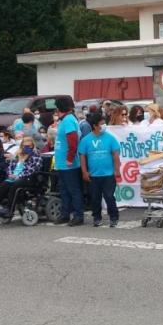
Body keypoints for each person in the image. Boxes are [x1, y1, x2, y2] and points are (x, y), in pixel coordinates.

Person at [77, 113, 122, 227]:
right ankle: (97, 217)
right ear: (95, 126)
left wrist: (117, 170)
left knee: (109, 196)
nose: (104, 125)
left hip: (108, 174)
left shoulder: (110, 138)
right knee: (95, 198)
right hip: (93, 175)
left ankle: (114, 217)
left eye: (104, 123)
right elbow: (82, 156)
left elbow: (115, 154)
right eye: (101, 124)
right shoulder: (86, 140)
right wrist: (84, 172)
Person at [0, 136, 43, 219]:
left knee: (15, 186)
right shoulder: (18, 155)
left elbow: (32, 170)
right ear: (22, 146)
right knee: (2, 186)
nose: (27, 148)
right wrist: (10, 174)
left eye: (29, 146)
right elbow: (10, 166)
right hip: (14, 176)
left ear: (33, 146)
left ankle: (9, 209)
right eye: (25, 146)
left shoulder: (36, 156)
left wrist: (18, 176)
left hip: (27, 178)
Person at [53, 97, 84, 225]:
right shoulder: (65, 120)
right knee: (64, 190)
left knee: (73, 190)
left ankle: (78, 215)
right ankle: (65, 214)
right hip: (62, 163)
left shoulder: (69, 120)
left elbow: (73, 141)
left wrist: (70, 158)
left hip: (69, 164)